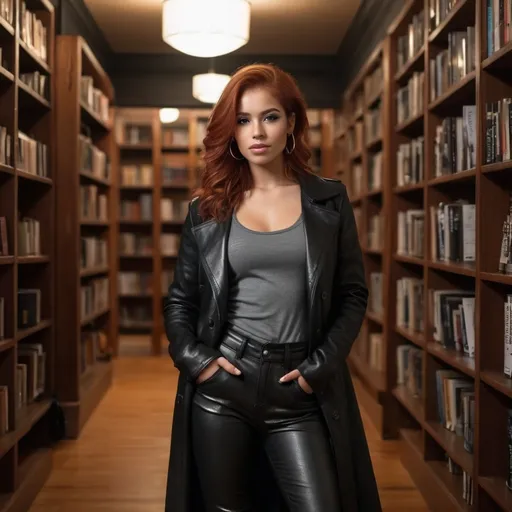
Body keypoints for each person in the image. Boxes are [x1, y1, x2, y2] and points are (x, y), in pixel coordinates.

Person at [163, 63, 382, 512]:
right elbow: (180, 302)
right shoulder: (206, 210)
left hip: (297, 386)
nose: (256, 131)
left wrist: (318, 368)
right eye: (243, 120)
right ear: (231, 131)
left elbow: (353, 294)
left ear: (292, 124)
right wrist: (200, 364)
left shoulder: (328, 200)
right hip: (225, 385)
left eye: (270, 116)